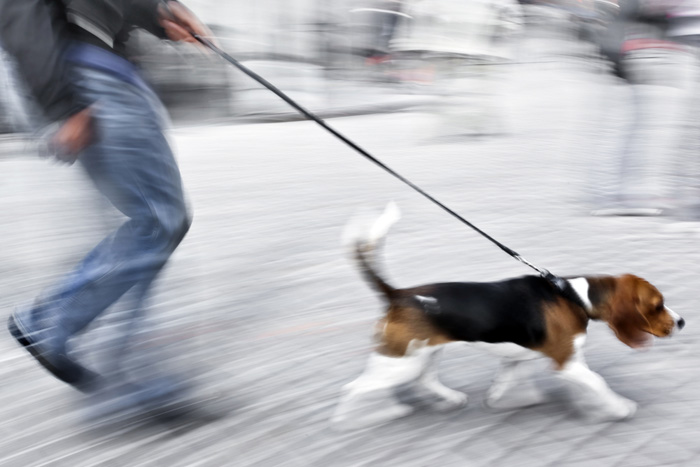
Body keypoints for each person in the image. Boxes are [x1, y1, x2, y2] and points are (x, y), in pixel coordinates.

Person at [0, 0, 213, 418]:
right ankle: (58, 326)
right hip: (89, 74)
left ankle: (118, 378)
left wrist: (158, 12)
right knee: (157, 221)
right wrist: (61, 104)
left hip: (96, 70)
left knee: (150, 224)